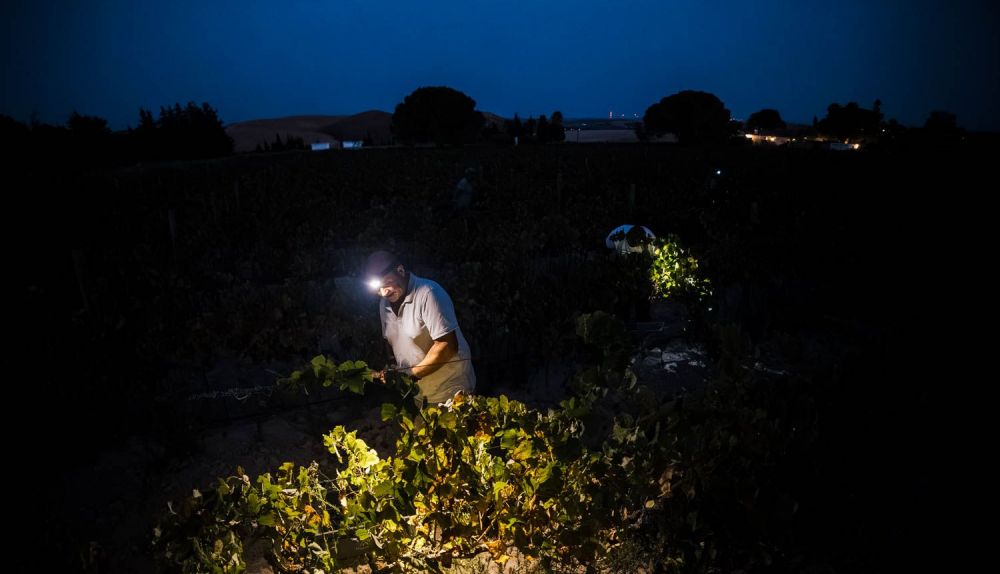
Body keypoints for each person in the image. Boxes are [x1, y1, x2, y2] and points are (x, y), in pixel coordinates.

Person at [364, 251, 476, 405]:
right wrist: (391, 369)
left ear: (401, 271)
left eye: (388, 283)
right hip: (418, 394)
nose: (384, 292)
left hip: (451, 391)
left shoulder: (428, 293)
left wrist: (411, 374)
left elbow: (447, 345)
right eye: (378, 288)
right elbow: (391, 340)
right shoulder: (384, 304)